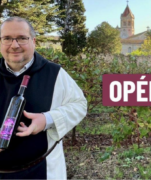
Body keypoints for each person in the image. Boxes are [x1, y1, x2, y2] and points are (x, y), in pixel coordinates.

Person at [0, 17, 87, 180]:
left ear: (33, 41)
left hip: (42, 169)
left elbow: (79, 105)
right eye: (7, 38)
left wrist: (47, 119)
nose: (14, 45)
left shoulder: (55, 74)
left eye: (22, 38)